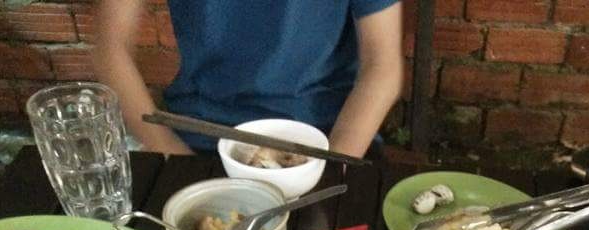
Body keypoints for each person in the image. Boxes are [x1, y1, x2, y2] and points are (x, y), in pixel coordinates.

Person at [93, 0, 403, 158]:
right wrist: (172, 154)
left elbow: (382, 66)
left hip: (327, 139)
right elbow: (109, 50)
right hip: (197, 138)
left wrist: (333, 164)